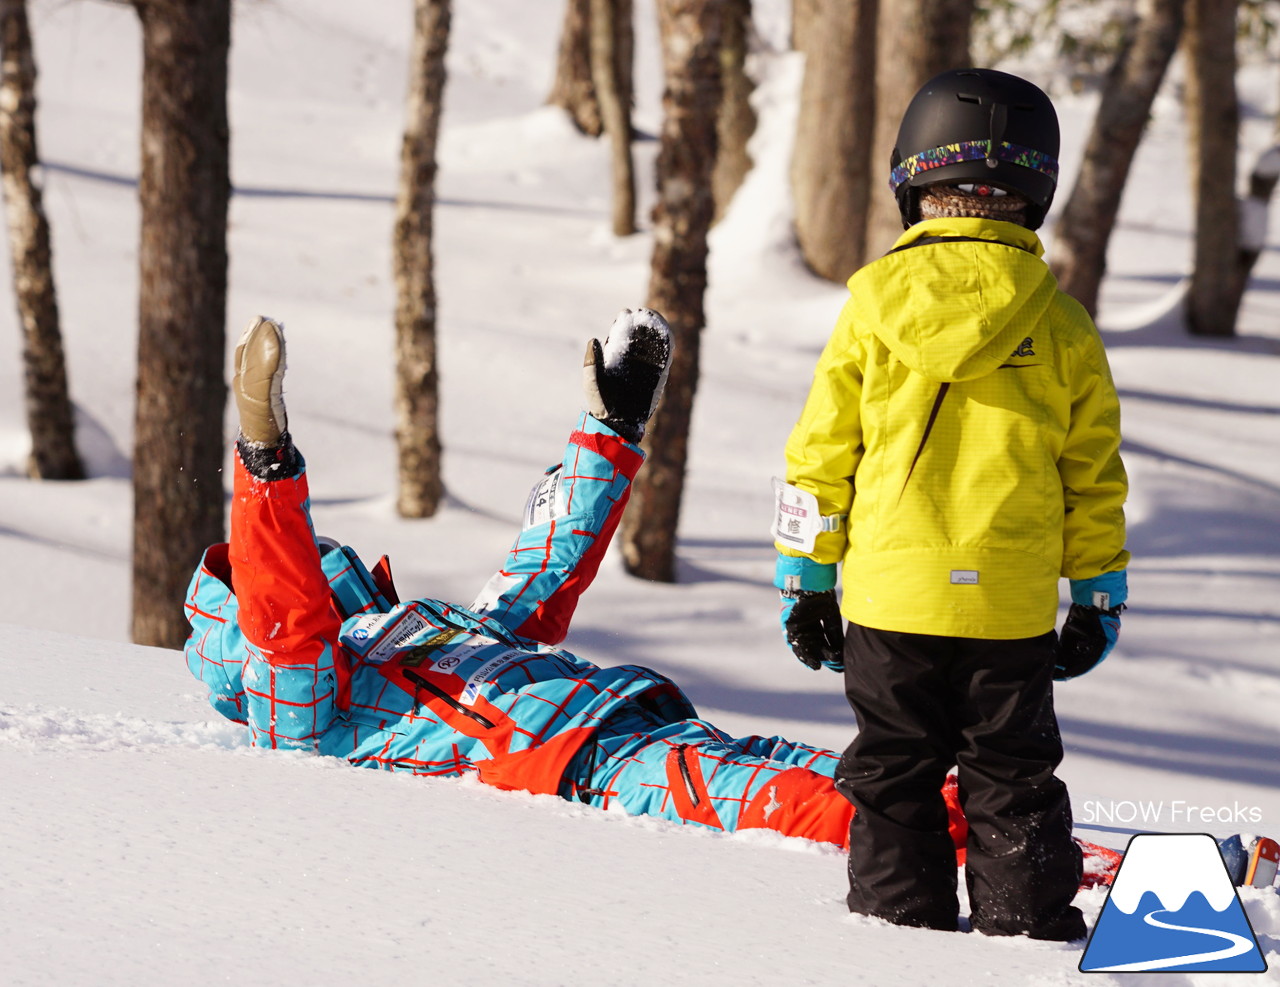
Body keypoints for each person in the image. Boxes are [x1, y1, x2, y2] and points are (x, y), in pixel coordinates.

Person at [773, 68, 1130, 940]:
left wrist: (806, 575)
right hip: (1006, 607)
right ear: (1036, 186)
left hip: (891, 603)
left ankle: (899, 936)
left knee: (894, 771)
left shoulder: (869, 311)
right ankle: (1026, 926)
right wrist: (1097, 593)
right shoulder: (1065, 326)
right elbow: (1092, 475)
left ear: (913, 177)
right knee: (1011, 774)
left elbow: (821, 457)